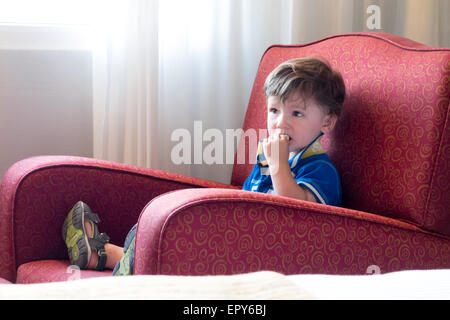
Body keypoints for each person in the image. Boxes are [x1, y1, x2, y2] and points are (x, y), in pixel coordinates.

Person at [62, 57, 346, 275]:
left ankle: (120, 264)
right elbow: (246, 199)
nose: (280, 122)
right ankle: (103, 253)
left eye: (296, 113)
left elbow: (296, 214)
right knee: (170, 231)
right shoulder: (271, 158)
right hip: (245, 238)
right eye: (274, 110)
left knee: (184, 243)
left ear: (326, 122)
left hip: (274, 254)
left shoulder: (320, 170)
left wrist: (278, 167)